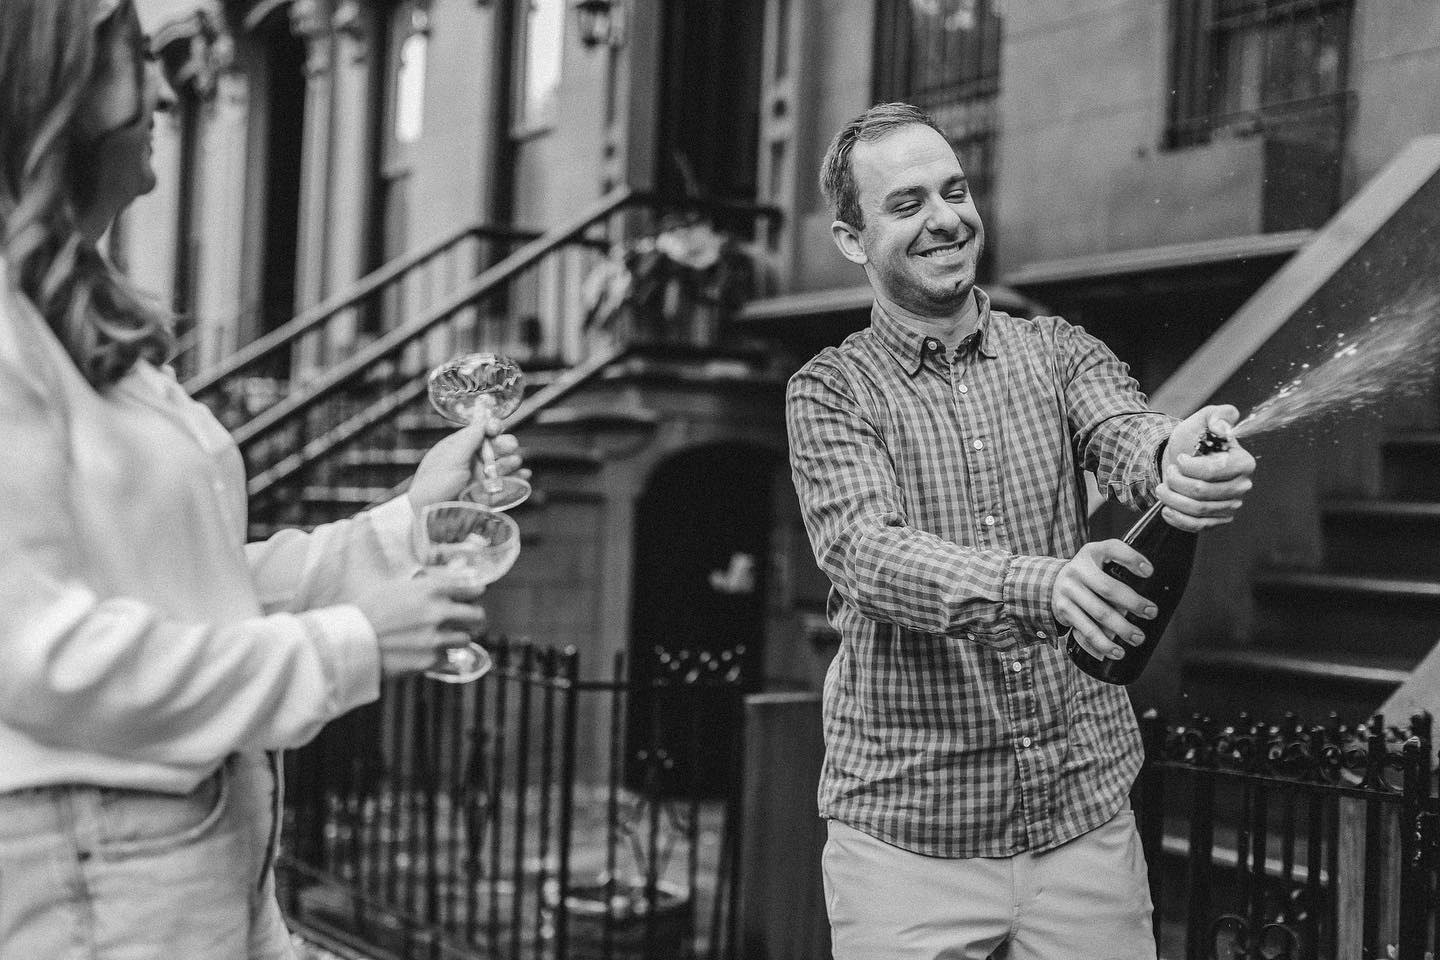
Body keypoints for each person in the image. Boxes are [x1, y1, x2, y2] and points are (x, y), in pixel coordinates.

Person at [0, 1, 528, 957]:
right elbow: (37, 654)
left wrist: (409, 523)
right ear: (53, 89)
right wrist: (351, 644)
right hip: (95, 867)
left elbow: (194, 587)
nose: (165, 87)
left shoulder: (81, 331)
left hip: (204, 850)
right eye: (132, 61)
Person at [786, 102, 1258, 959]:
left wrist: (1176, 455)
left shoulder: (1058, 349)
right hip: (907, 839)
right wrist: (1045, 586)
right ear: (853, 240)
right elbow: (865, 552)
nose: (945, 219)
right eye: (906, 204)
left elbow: (1126, 432)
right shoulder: (830, 391)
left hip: (1082, 823)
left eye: (955, 190)